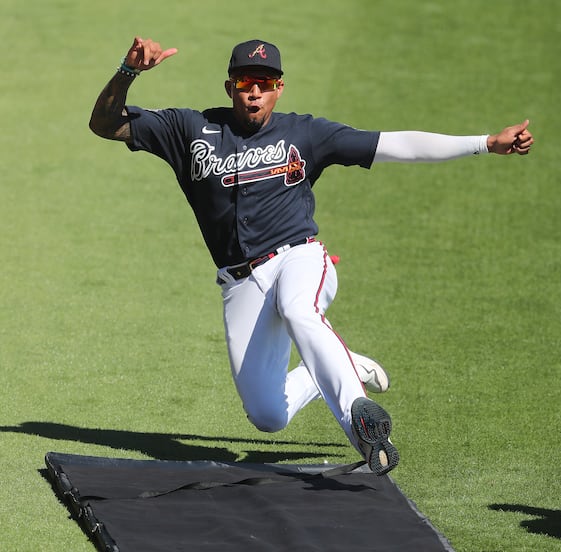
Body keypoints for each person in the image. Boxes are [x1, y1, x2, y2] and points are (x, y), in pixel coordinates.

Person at [89, 37, 534, 477]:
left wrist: (484, 143)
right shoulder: (188, 129)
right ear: (230, 86)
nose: (255, 91)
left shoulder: (306, 134)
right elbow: (105, 124)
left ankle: (365, 432)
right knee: (268, 416)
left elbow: (393, 144)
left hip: (298, 258)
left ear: (279, 87)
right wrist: (128, 72)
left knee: (298, 309)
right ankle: (343, 360)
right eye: (246, 81)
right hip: (240, 283)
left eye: (265, 82)